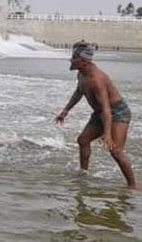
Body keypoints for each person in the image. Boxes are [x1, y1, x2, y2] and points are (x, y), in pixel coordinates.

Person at [54, 41, 137, 189]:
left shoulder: (96, 80)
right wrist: (66, 110)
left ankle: (132, 186)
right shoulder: (81, 73)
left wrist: (107, 134)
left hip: (117, 112)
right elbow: (79, 91)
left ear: (84, 61)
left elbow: (107, 109)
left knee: (116, 151)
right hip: (100, 112)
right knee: (83, 140)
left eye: (73, 58)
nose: (70, 60)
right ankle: (84, 174)